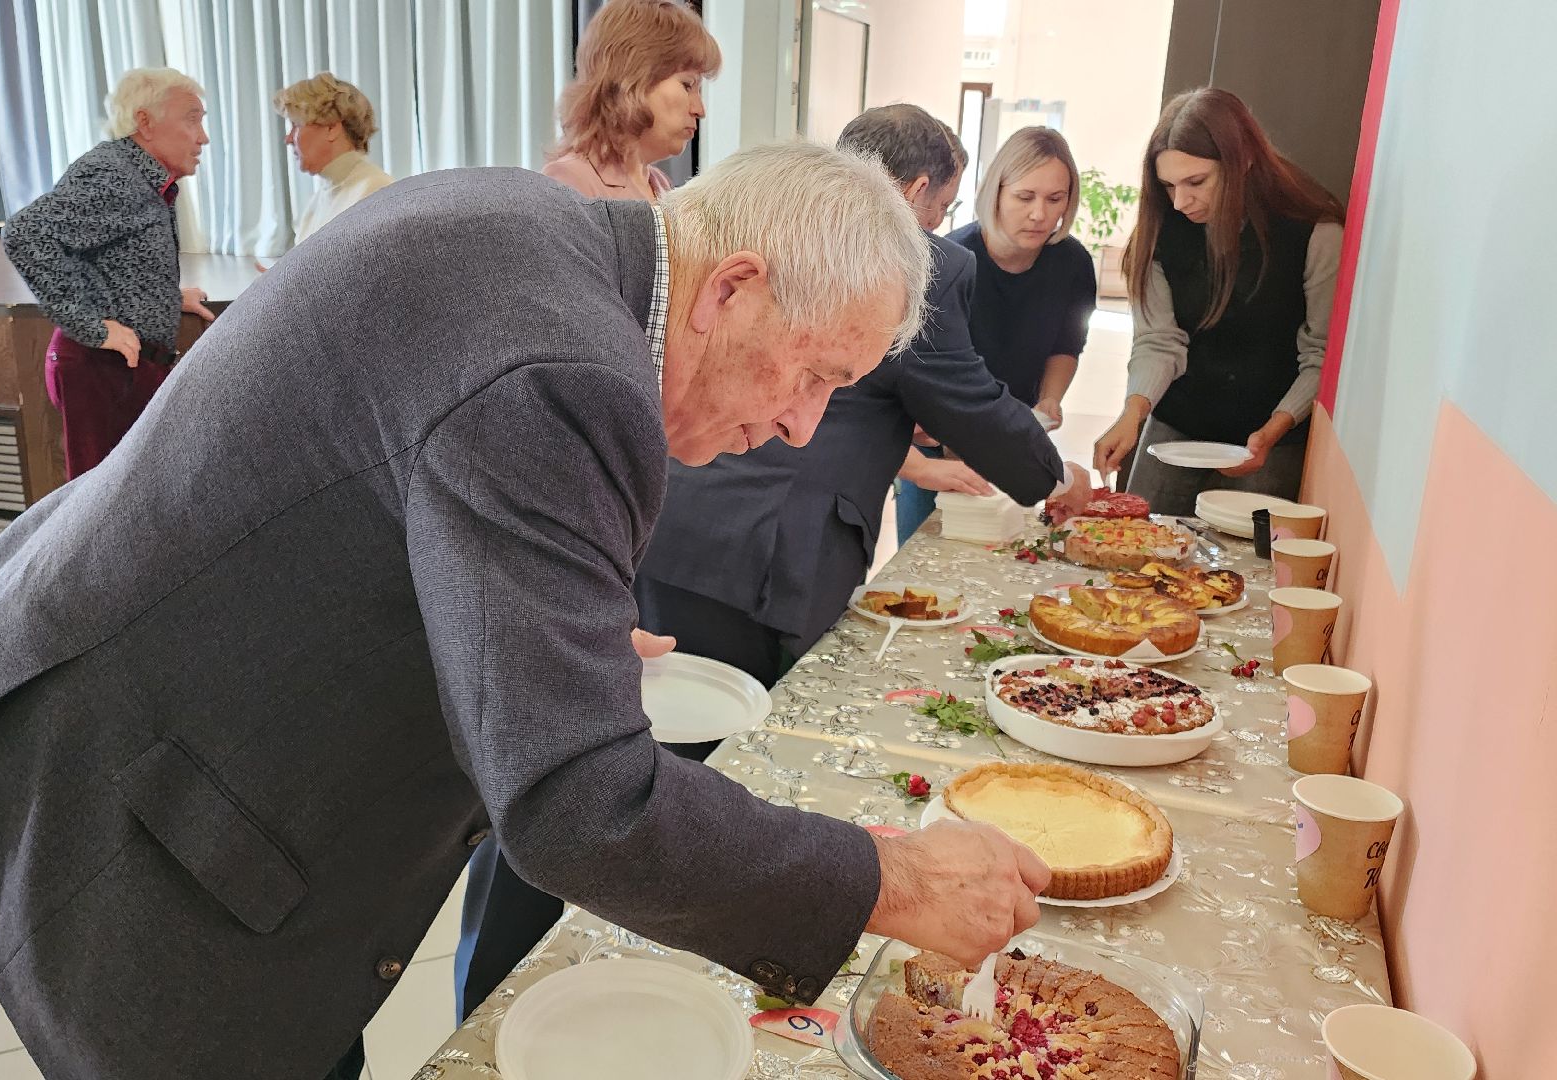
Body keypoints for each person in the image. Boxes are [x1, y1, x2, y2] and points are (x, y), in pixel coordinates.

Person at [0, 142, 1051, 1080]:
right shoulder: (566, 369)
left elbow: (398, 508)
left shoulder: (547, 235)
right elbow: (581, 809)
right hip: (136, 803)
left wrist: (556, 635)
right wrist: (891, 880)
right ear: (732, 288)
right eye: (809, 375)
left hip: (134, 690)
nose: (802, 426)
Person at [449, 0, 719, 1023]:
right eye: (681, 82)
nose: (695, 106)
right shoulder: (556, 193)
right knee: (541, 743)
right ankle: (488, 980)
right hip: (566, 496)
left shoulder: (660, 191)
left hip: (631, 497)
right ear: (626, 80)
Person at [633, 104, 1091, 685]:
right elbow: (970, 403)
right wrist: (1059, 480)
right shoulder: (922, 263)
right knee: (756, 732)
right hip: (774, 543)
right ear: (921, 188)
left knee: (674, 715)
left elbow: (853, 395)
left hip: (677, 513)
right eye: (942, 207)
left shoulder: (775, 222)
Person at [1092, 88, 1345, 515]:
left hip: (1272, 432)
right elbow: (1159, 342)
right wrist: (1132, 413)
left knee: (1242, 571)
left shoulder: (1313, 233)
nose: (1180, 201)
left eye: (1197, 182)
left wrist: (1275, 428)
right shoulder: (1162, 229)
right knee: (1141, 553)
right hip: (1177, 425)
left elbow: (1321, 354)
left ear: (1243, 160)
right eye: (1168, 185)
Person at [2, 67, 218, 481]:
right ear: (145, 122)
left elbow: (107, 260)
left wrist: (165, 297)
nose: (202, 137)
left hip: (125, 370)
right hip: (100, 369)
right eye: (192, 119)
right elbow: (26, 234)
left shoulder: (142, 177)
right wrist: (92, 327)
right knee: (104, 507)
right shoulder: (113, 175)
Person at [893, 126, 1098, 542]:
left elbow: (1066, 344)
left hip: (1015, 434)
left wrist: (1050, 399)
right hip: (939, 440)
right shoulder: (950, 261)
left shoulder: (1073, 263)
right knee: (924, 561)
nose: (1040, 214)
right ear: (996, 193)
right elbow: (925, 373)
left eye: (1055, 199)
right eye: (1025, 197)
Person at [541, 0, 718, 200]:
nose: (699, 109)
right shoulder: (569, 180)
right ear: (634, 79)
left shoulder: (661, 185)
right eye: (687, 85)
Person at [274, 73, 395, 245]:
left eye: (296, 126)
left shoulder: (374, 190)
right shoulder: (318, 200)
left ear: (331, 128)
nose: (288, 139)